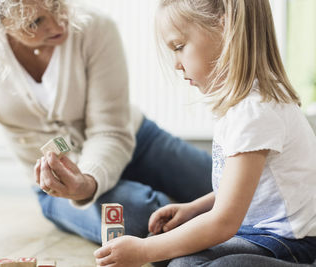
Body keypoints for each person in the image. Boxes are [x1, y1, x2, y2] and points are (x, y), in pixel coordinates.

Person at [0, 0, 212, 253]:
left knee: (230, 185)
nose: (58, 25)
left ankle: (198, 213)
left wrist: (87, 180)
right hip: (58, 186)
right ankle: (193, 217)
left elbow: (109, 131)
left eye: (58, 5)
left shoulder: (96, 28)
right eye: (36, 21)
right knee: (140, 217)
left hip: (138, 142)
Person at [94, 0, 316, 266]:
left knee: (182, 260)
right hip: (256, 234)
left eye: (179, 47)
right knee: (174, 254)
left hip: (292, 245)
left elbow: (223, 223)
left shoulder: (256, 111)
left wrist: (144, 250)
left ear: (226, 27)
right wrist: (194, 209)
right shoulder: (239, 104)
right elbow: (244, 188)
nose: (176, 64)